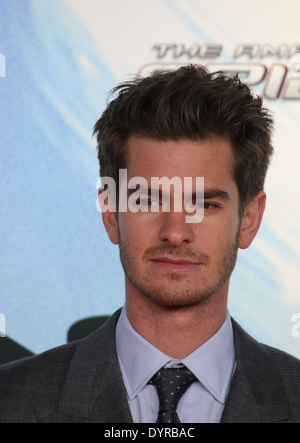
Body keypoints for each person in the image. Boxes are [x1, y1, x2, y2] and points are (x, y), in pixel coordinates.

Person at [0, 65, 299, 423]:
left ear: (249, 219)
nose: (175, 232)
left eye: (204, 205)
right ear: (111, 213)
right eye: (147, 201)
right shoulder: (9, 400)